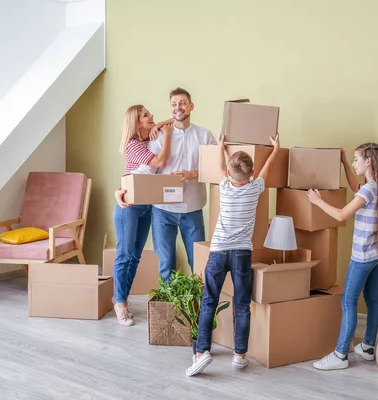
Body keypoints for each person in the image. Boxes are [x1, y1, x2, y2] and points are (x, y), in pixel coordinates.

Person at [185, 133, 281, 377]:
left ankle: (202, 352)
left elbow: (220, 167)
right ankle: (239, 355)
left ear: (229, 174)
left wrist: (221, 146)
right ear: (250, 176)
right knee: (242, 304)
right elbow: (266, 171)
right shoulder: (255, 189)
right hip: (241, 253)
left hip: (218, 251)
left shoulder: (225, 186)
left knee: (209, 300)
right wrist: (275, 149)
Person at [306, 143, 378, 370]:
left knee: (348, 301)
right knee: (372, 300)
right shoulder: (377, 187)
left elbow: (342, 214)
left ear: (368, 162)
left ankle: (340, 354)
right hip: (377, 255)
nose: (354, 163)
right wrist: (344, 161)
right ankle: (367, 347)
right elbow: (357, 187)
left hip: (363, 257)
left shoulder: (368, 191)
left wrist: (318, 202)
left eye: (356, 160)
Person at [144, 87, 216, 281]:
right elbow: (147, 169)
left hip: (192, 209)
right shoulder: (158, 136)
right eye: (174, 104)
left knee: (198, 263)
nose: (178, 108)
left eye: (182, 103)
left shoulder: (205, 136)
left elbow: (218, 169)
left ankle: (198, 309)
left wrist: (192, 174)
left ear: (191, 106)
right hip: (162, 210)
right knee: (165, 264)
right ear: (170, 109)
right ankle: (168, 311)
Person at [111, 104, 173, 326]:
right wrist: (166, 135)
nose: (152, 116)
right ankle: (120, 304)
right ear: (136, 123)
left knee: (136, 257)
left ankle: (121, 300)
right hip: (129, 207)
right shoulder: (133, 145)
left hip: (147, 206)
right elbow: (160, 162)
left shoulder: (149, 140)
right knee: (124, 255)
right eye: (146, 115)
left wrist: (162, 125)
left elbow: (169, 121)